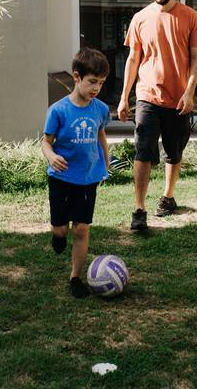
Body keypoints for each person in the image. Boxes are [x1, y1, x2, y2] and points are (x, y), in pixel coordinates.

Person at [117, 0, 197, 230]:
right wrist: (124, 97)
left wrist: (189, 92)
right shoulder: (140, 18)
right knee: (143, 150)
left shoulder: (190, 16)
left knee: (173, 152)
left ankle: (168, 197)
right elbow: (133, 59)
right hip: (148, 95)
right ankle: (139, 208)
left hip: (179, 98)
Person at [41, 48, 111, 298]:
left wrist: (106, 162)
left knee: (81, 229)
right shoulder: (58, 110)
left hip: (87, 178)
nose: (96, 88)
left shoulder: (100, 109)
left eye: (101, 83)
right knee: (62, 230)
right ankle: (58, 235)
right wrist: (52, 156)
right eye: (92, 81)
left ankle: (75, 277)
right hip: (60, 178)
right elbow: (45, 142)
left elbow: (101, 135)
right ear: (76, 77)